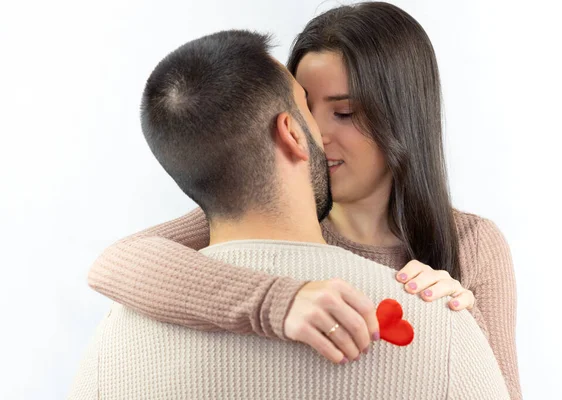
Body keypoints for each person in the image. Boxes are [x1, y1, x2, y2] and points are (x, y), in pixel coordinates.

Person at [88, 2, 520, 398]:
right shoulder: (253, 217)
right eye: (304, 108)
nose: (315, 133)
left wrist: (459, 319)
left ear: (403, 116)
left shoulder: (473, 241)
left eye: (345, 113)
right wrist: (282, 299)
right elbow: (114, 264)